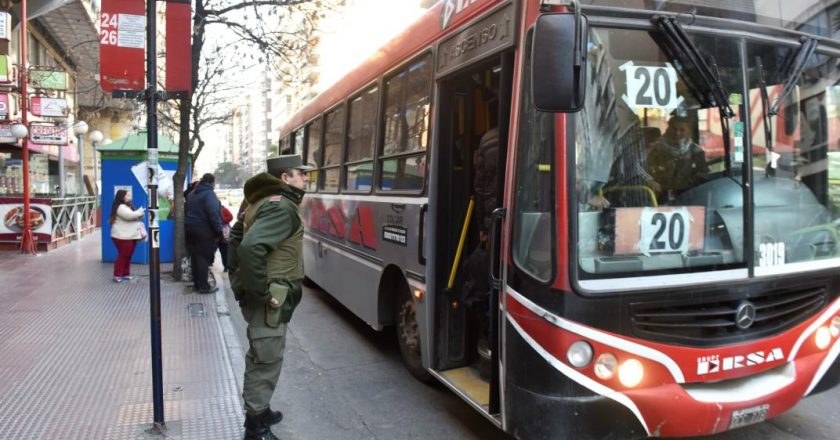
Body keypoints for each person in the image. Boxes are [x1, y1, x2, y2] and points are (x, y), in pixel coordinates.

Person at [228, 155, 311, 440]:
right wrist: (261, 294)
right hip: (270, 298)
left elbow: (235, 238)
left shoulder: (258, 202)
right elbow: (249, 248)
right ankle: (256, 427)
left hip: (266, 296)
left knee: (264, 355)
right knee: (266, 359)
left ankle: (260, 411)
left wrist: (239, 282)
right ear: (285, 178)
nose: (305, 179)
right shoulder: (281, 207)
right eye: (301, 174)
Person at [647, 116, 710, 198]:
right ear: (668, 129)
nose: (677, 133)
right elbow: (644, 168)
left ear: (688, 132)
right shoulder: (656, 148)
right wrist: (650, 181)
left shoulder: (695, 151)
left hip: (688, 194)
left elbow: (704, 173)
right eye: (674, 129)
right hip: (659, 195)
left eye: (682, 130)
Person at [185, 173, 223, 294]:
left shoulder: (192, 194)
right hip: (203, 229)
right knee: (203, 258)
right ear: (212, 182)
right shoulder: (209, 194)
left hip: (190, 228)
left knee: (195, 257)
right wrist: (219, 231)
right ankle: (203, 287)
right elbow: (213, 213)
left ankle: (197, 284)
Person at [109, 189, 145, 283]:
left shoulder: (126, 206)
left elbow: (133, 216)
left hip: (129, 235)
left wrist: (138, 214)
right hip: (122, 236)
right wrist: (140, 212)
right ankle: (117, 275)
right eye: (128, 196)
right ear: (122, 197)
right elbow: (129, 216)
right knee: (124, 255)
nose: (130, 197)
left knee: (128, 255)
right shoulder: (121, 207)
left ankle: (126, 274)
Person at [218, 204, 234, 272]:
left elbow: (230, 217)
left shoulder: (223, 209)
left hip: (225, 231)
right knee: (222, 250)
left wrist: (222, 221)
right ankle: (225, 266)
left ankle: (228, 266)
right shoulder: (215, 209)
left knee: (226, 250)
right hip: (218, 233)